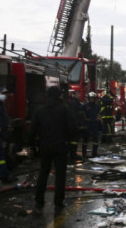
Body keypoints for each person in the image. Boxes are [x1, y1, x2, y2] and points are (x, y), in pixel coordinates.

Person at [28, 86, 75, 214]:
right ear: (59, 96)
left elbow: (32, 131)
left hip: (45, 146)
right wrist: (70, 144)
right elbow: (72, 128)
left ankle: (39, 200)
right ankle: (58, 202)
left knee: (43, 173)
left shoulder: (39, 110)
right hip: (60, 146)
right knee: (60, 175)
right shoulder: (64, 110)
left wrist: (32, 146)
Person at [67, 91, 87, 162]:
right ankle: (72, 154)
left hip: (78, 124)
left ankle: (73, 153)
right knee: (73, 140)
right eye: (77, 94)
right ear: (74, 95)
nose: (79, 95)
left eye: (79, 94)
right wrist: (75, 124)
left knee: (75, 140)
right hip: (75, 125)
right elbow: (73, 114)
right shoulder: (73, 103)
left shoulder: (76, 102)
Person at [83, 92, 101, 158]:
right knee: (86, 139)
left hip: (95, 124)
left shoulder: (97, 106)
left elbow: (99, 113)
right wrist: (85, 119)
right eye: (91, 98)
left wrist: (98, 118)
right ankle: (84, 152)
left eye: (93, 98)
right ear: (89, 98)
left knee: (95, 139)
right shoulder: (85, 106)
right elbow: (83, 114)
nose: (92, 99)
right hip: (88, 124)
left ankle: (94, 152)